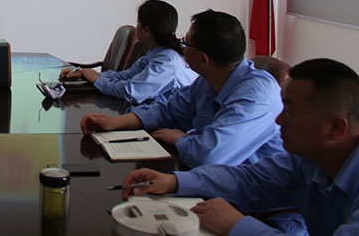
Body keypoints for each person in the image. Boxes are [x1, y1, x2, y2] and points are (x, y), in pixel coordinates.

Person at [120, 58, 359, 235]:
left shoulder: (257, 90)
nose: (279, 120)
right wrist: (175, 181)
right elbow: (250, 180)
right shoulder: (307, 160)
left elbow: (212, 154)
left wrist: (236, 226)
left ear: (335, 128)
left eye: (290, 111)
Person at [81, 9, 283, 167]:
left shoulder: (257, 95)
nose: (182, 48)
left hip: (256, 198)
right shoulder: (208, 80)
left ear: (203, 60)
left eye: (187, 43)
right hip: (212, 180)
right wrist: (115, 123)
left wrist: (180, 139)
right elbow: (167, 111)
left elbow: (210, 155)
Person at [60, 0, 197, 105]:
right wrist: (85, 74)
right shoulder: (156, 53)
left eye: (138, 23)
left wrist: (97, 80)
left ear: (146, 30)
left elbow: (131, 92)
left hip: (171, 125)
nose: (136, 27)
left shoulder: (167, 62)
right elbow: (125, 76)